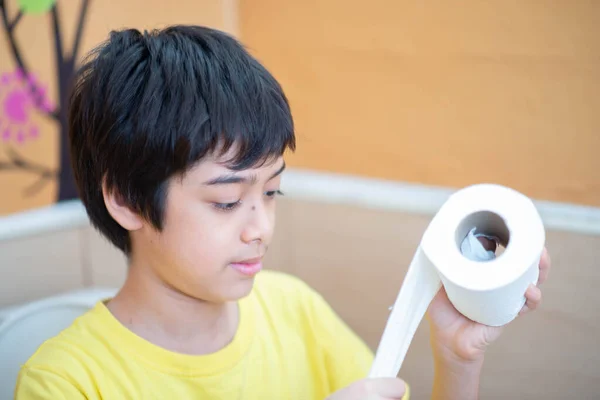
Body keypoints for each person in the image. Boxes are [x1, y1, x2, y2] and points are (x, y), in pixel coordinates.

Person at [14, 25, 551, 400]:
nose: (260, 229)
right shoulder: (64, 382)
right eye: (226, 202)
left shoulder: (294, 309)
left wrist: (458, 358)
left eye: (271, 193)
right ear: (127, 200)